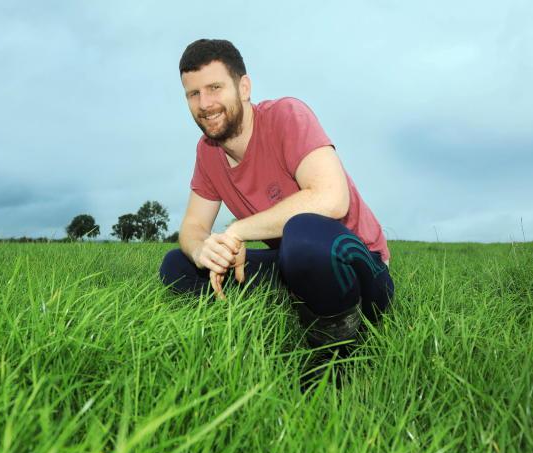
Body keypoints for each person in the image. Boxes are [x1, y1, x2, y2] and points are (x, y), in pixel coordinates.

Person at [159, 39, 394, 349]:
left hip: (358, 265)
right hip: (290, 264)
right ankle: (281, 311)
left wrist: (238, 231)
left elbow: (332, 198)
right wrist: (204, 251)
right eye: (193, 93)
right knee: (177, 265)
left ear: (243, 87)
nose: (204, 103)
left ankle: (337, 348)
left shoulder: (286, 115)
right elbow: (192, 227)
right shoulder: (207, 152)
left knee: (302, 231)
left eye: (215, 88)